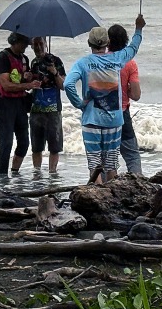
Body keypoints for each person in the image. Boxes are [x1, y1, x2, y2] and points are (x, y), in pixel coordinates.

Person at [64, 14, 146, 185]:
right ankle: (112, 195)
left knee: (95, 164)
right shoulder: (117, 59)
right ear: (107, 43)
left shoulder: (83, 63)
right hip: (114, 120)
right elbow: (133, 47)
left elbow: (68, 84)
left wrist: (79, 103)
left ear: (89, 43)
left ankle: (97, 195)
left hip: (92, 119)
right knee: (111, 164)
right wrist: (138, 29)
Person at [0, 32, 41, 176]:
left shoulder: (24, 59)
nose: (25, 47)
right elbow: (6, 85)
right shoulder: (3, 57)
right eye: (23, 44)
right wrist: (28, 85)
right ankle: (2, 176)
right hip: (5, 104)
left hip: (20, 103)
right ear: (14, 42)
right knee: (6, 143)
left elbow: (21, 81)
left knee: (24, 142)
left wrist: (28, 78)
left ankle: (15, 172)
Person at [108, 24, 143, 175]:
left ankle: (106, 187)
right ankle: (138, 183)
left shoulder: (101, 61)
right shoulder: (130, 63)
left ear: (108, 41)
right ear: (125, 40)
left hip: (104, 115)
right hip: (122, 114)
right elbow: (136, 95)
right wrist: (127, 90)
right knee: (132, 156)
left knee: (108, 159)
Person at [29, 37, 66, 174]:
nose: (38, 47)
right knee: (36, 147)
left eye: (41, 44)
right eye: (35, 44)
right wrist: (28, 78)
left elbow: (63, 85)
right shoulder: (33, 63)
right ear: (31, 46)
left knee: (55, 146)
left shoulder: (56, 61)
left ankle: (52, 174)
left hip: (53, 109)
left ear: (45, 44)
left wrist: (54, 72)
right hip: (36, 108)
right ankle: (37, 174)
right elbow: (29, 86)